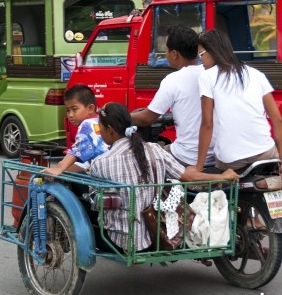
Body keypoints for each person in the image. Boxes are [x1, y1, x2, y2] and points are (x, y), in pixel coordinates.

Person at [90, 102, 238, 251]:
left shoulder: (100, 163)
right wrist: (223, 177)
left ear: (110, 130)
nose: (99, 132)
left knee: (86, 206)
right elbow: (188, 177)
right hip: (157, 236)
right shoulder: (155, 150)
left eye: (100, 128)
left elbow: (96, 204)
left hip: (119, 242)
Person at [195, 29, 282, 181]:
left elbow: (207, 124)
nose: (200, 61)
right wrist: (281, 160)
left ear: (212, 52)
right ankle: (276, 185)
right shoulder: (256, 74)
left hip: (231, 160)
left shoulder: (207, 77)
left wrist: (199, 168)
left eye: (201, 55)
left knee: (220, 183)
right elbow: (278, 120)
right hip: (265, 152)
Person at [131, 25, 215, 167]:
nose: (165, 54)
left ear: (175, 54)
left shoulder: (172, 80)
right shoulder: (211, 74)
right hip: (216, 156)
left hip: (186, 157)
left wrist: (120, 115)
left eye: (166, 50)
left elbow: (146, 118)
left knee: (138, 160)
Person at [42, 84, 108, 176]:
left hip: (101, 175)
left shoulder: (87, 125)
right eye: (68, 110)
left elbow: (76, 151)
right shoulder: (99, 120)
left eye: (74, 109)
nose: (70, 115)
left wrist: (59, 168)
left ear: (90, 108)